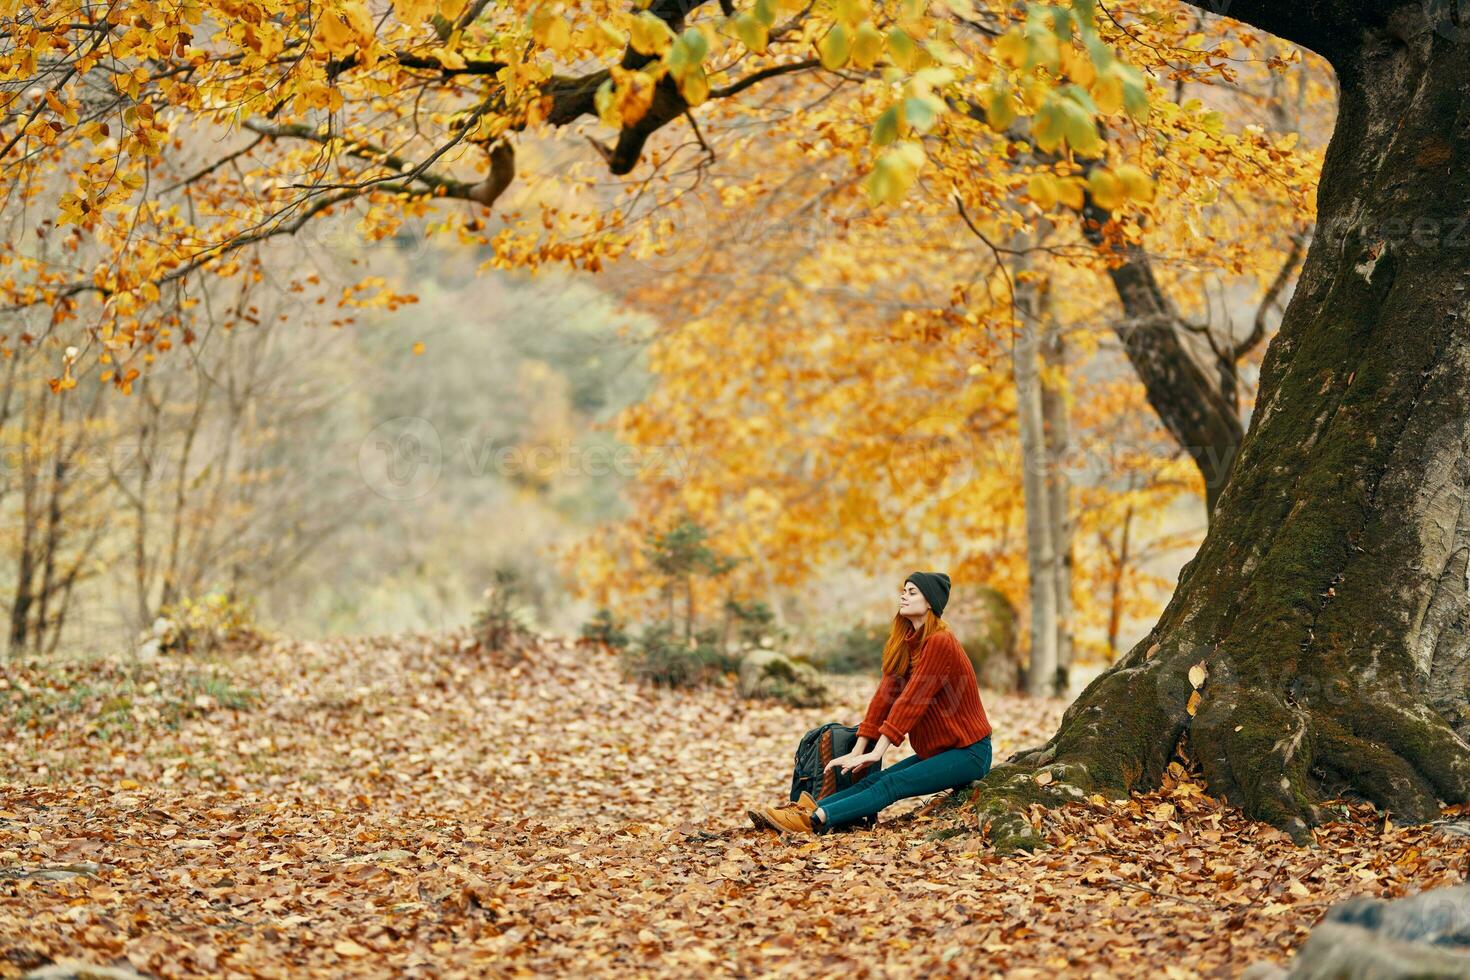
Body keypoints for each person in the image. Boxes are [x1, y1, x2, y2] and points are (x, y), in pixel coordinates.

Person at [748, 571, 994, 835]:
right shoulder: (905, 643)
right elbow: (884, 698)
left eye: (912, 592)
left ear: (930, 602)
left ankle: (816, 819)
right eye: (904, 590)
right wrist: (860, 748)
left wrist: (879, 751)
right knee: (878, 778)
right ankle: (805, 811)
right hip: (939, 751)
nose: (904, 595)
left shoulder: (940, 642)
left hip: (969, 753)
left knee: (892, 784)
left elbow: (912, 701)